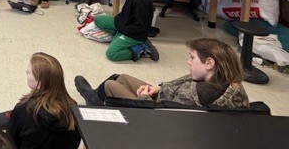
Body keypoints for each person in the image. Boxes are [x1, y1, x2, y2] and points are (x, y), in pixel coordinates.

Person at [75, 37, 250, 109]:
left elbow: (163, 116)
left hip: (154, 116)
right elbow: (182, 82)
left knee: (110, 85)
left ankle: (94, 101)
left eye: (192, 58)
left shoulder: (194, 94)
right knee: (122, 78)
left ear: (209, 63)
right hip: (166, 100)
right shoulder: (227, 83)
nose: (188, 62)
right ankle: (94, 96)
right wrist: (158, 88)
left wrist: (144, 97)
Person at [0, 52, 80, 149]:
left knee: (11, 119)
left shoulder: (23, 109)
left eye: (29, 71)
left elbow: (11, 142)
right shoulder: (73, 109)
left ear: (40, 83)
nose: (26, 71)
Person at [92, 0, 158, 62]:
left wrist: (123, 30)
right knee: (97, 19)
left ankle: (141, 48)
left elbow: (141, 26)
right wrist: (120, 25)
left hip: (134, 33)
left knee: (111, 54)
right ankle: (119, 36)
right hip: (124, 24)